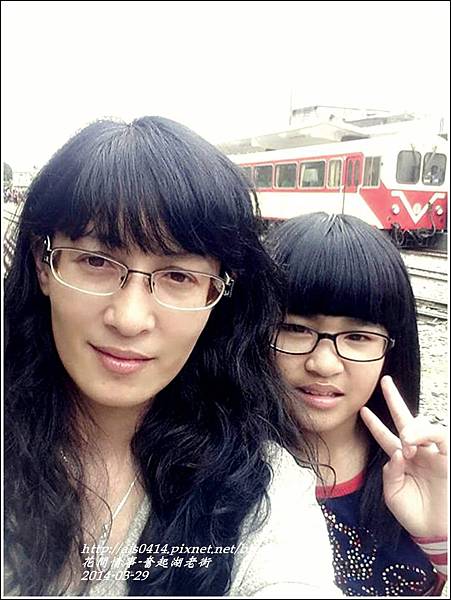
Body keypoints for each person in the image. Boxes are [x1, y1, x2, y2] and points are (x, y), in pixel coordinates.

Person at [4, 118, 340, 597]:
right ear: (44, 264)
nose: (130, 319)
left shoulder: (265, 489)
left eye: (178, 276)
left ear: (217, 294)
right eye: (96, 261)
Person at [266, 212, 447, 596]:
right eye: (295, 329)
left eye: (358, 337)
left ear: (391, 350)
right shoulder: (209, 468)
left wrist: (441, 540)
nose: (323, 364)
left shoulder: (431, 477)